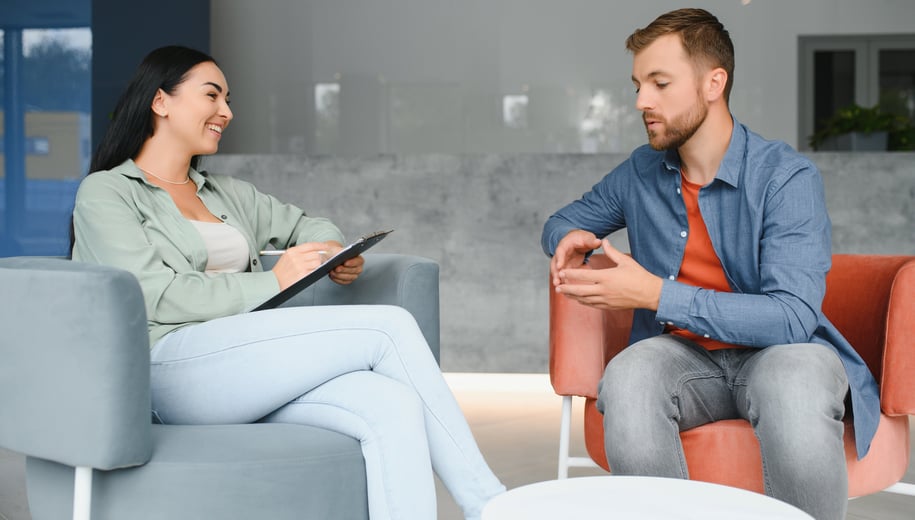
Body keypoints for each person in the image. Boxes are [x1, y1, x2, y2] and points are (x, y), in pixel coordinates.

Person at [71, 45, 504, 520]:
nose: (227, 112)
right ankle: (491, 504)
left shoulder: (227, 193)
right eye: (212, 95)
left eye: (228, 99)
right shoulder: (108, 192)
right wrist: (273, 282)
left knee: (391, 404)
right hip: (164, 367)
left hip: (240, 367)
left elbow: (310, 225)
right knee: (387, 328)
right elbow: (150, 294)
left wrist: (333, 254)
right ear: (161, 102)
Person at [541, 8, 878, 520]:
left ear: (713, 83)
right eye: (637, 85)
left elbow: (791, 318)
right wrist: (567, 236)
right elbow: (561, 220)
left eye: (659, 83)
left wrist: (656, 295)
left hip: (780, 354)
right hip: (686, 363)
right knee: (630, 374)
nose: (641, 102)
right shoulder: (641, 171)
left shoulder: (786, 177)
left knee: (792, 377)